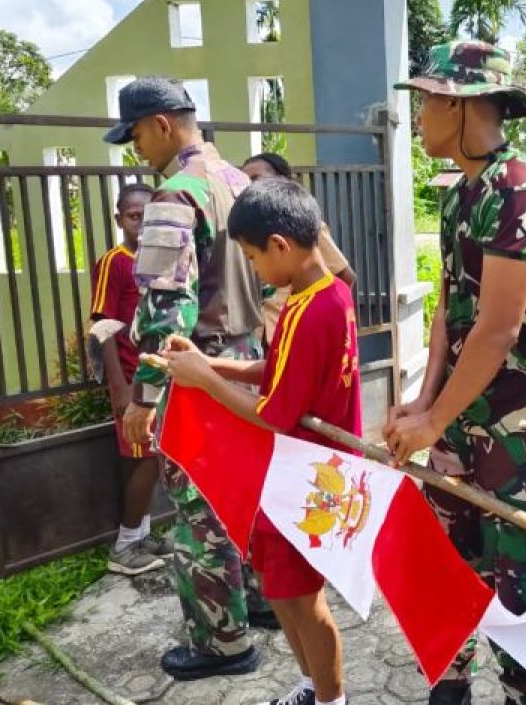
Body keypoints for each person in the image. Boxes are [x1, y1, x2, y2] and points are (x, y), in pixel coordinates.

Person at [383, 41, 526, 705]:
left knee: (522, 584)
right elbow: (451, 310)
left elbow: (498, 330)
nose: (419, 119)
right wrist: (423, 405)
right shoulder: (458, 197)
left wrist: (434, 420)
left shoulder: (520, 189)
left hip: (523, 429)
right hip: (467, 419)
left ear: (459, 103)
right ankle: (453, 679)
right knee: (449, 562)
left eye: (425, 103)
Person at [165, 177, 358, 705]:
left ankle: (331, 699)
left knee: (304, 599)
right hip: (293, 474)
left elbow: (273, 414)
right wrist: (207, 364)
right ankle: (311, 686)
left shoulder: (316, 308)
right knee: (283, 594)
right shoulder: (313, 295)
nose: (253, 269)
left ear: (281, 245)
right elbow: (274, 370)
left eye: (252, 258)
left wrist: (205, 380)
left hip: (310, 481)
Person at [104, 76, 270, 681]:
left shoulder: (174, 194)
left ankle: (223, 644)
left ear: (163, 124)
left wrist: (144, 397)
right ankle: (256, 602)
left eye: (137, 136)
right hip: (245, 361)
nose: (136, 150)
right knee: (242, 496)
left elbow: (164, 307)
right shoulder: (237, 181)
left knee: (201, 517)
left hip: (196, 371)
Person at [88, 182, 175, 575]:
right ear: (119, 219)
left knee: (147, 457)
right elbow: (101, 323)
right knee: (142, 460)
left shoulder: (159, 259)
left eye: (148, 216)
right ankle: (124, 546)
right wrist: (119, 386)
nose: (141, 224)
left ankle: (140, 534)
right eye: (134, 216)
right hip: (130, 377)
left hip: (154, 373)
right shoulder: (114, 261)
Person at [239, 152, 356, 344]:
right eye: (245, 181)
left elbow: (345, 277)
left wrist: (322, 324)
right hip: (262, 337)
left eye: (256, 179)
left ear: (283, 181)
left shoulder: (307, 227)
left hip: (294, 335)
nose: (250, 186)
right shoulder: (252, 233)